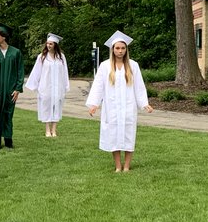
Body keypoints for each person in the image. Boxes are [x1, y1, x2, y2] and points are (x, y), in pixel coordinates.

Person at [86, 31, 152, 172]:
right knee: (113, 135)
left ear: (126, 49)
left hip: (129, 107)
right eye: (117, 48)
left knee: (129, 134)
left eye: (123, 48)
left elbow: (139, 86)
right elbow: (98, 86)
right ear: (112, 49)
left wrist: (144, 103)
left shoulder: (133, 66)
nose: (120, 51)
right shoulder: (105, 66)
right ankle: (117, 166)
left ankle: (127, 166)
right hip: (112, 107)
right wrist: (94, 104)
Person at [25, 33, 71, 138]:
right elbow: (37, 71)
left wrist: (65, 85)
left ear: (55, 45)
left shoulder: (61, 57)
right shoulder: (42, 57)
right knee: (46, 107)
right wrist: (34, 85)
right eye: (47, 44)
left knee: (57, 107)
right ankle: (47, 130)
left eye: (51, 44)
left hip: (58, 87)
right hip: (46, 86)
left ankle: (54, 130)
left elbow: (65, 72)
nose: (48, 46)